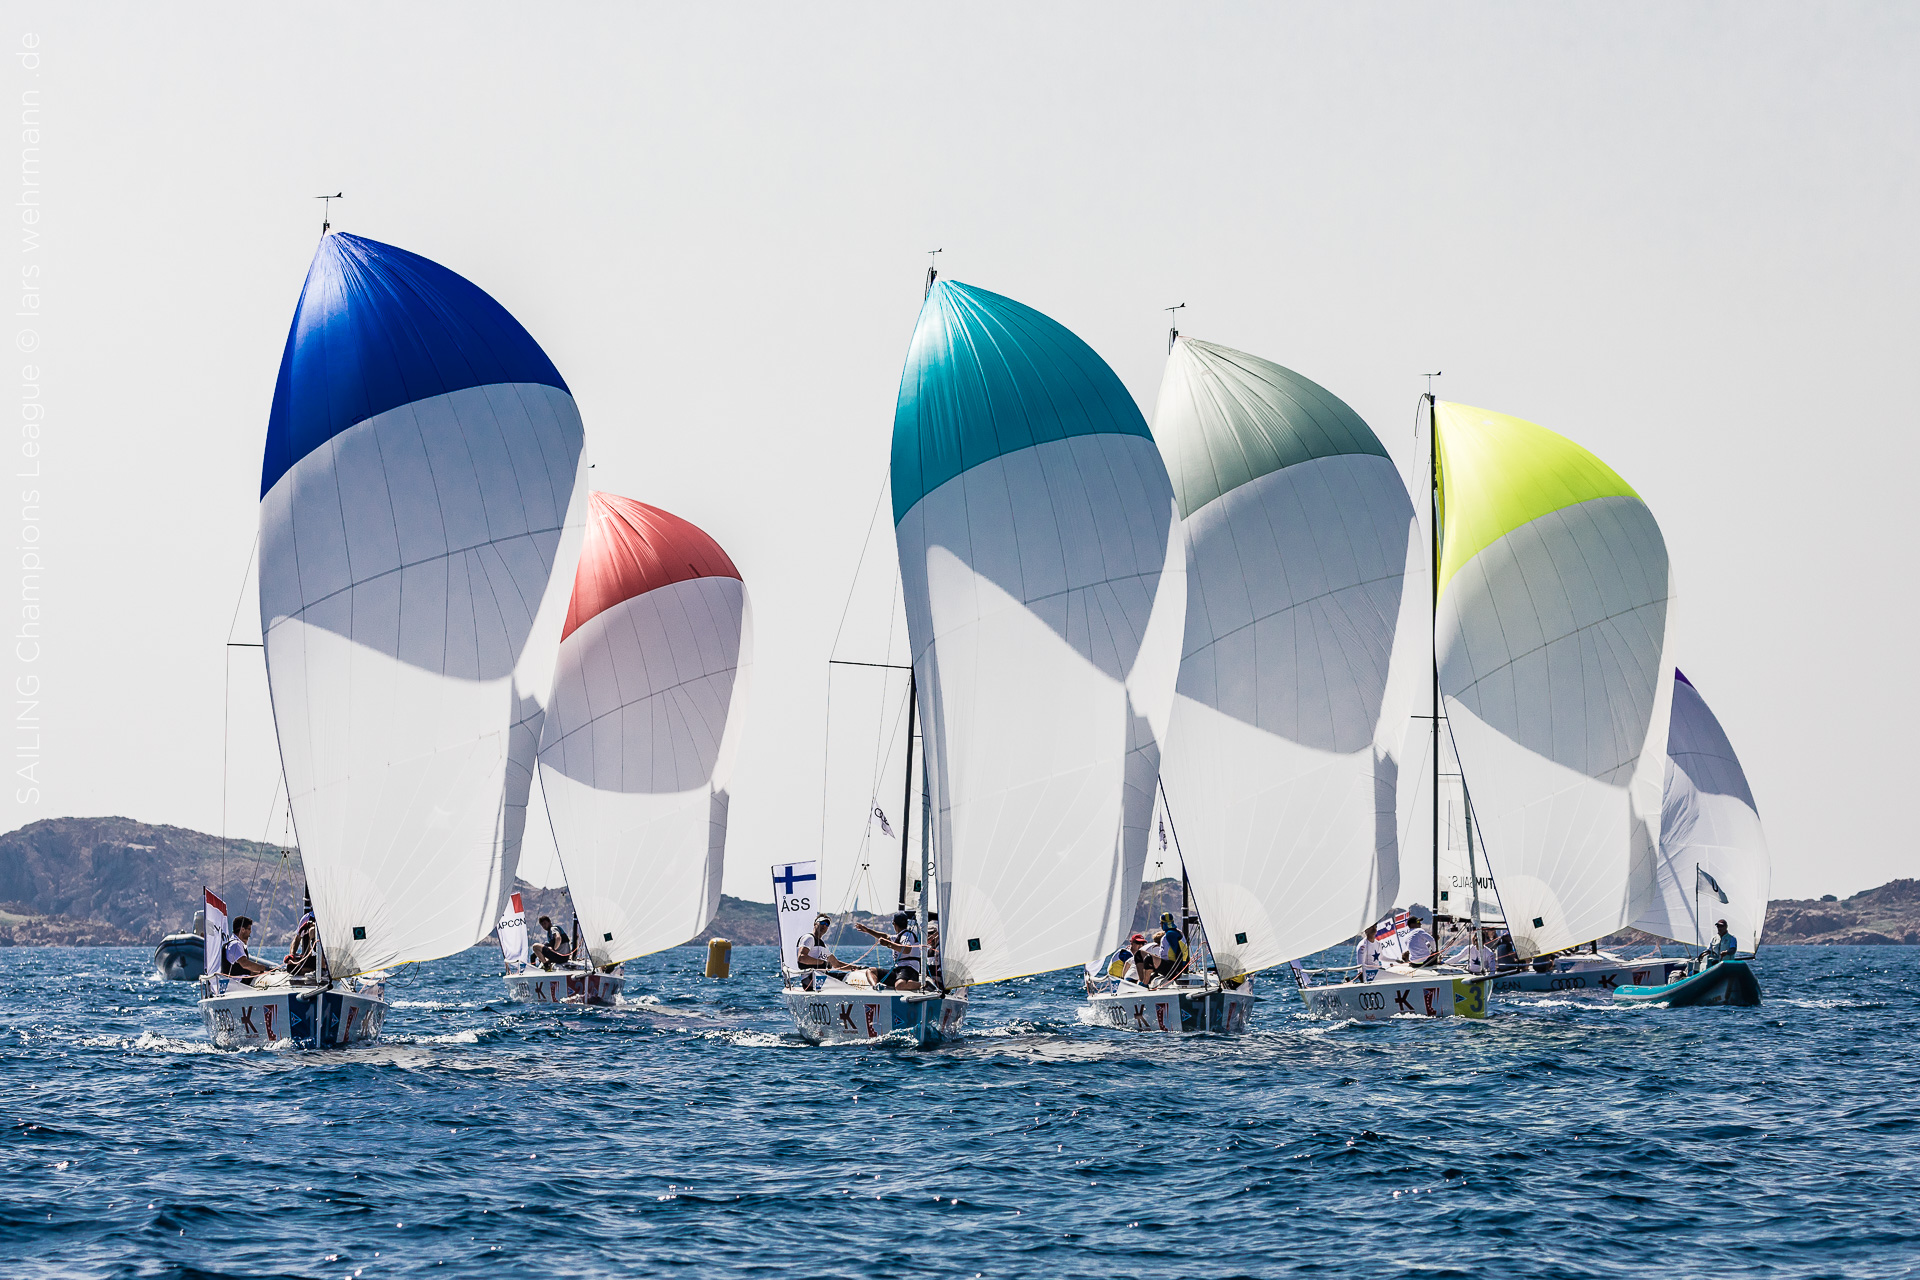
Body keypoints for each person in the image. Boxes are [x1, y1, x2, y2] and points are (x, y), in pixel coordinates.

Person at [856, 912, 923, 990]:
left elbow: (906, 949)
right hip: (898, 970)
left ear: (894, 924)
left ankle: (924, 985)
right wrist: (867, 930)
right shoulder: (898, 936)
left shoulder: (907, 935)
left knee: (899, 985)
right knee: (871, 971)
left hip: (909, 969)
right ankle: (876, 987)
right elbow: (885, 936)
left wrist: (889, 944)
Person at [283, 911, 318, 978]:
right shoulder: (307, 918)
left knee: (312, 931)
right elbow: (297, 939)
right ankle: (313, 970)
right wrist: (292, 956)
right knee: (291, 968)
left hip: (327, 959)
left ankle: (322, 969)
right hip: (314, 959)